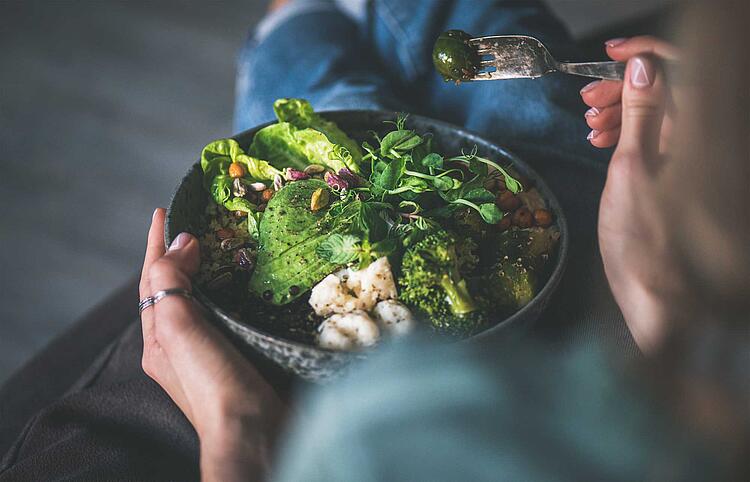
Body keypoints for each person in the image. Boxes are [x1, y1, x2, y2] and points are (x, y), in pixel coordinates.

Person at [1, 1, 747, 481]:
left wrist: (236, 433)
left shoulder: (390, 431)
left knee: (338, 99)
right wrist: (654, 302)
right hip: (607, 294)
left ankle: (297, 19)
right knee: (519, 81)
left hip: (468, 328)